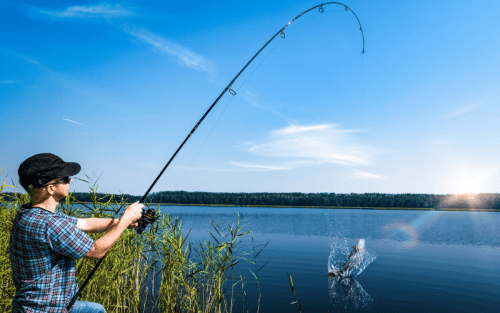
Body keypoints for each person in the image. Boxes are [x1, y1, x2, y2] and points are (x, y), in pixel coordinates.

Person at [9, 153, 144, 313]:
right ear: (50, 188)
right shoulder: (51, 224)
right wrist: (125, 219)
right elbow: (96, 251)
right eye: (65, 178)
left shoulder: (28, 213)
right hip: (48, 308)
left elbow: (84, 223)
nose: (70, 180)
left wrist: (123, 222)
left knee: (98, 310)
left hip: (36, 304)